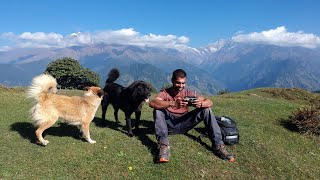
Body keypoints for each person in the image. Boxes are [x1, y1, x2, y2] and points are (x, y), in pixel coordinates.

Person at [149, 69, 235, 163]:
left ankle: (218, 146)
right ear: (172, 80)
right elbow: (153, 103)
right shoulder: (165, 93)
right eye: (178, 83)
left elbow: (210, 102)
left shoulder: (189, 93)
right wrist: (173, 103)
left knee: (206, 109)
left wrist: (201, 104)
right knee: (158, 110)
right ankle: (164, 147)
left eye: (183, 83)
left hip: (184, 124)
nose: (181, 86)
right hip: (168, 125)